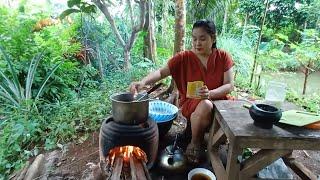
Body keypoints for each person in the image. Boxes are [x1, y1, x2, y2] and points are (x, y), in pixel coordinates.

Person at [129, 19, 234, 163]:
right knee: (206, 104)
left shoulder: (223, 57)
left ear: (213, 38)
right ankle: (195, 143)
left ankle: (208, 139)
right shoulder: (184, 58)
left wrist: (211, 93)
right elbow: (161, 72)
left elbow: (229, 85)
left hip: (220, 102)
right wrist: (142, 83)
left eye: (202, 39)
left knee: (208, 103)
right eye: (194, 39)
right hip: (194, 104)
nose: (197, 43)